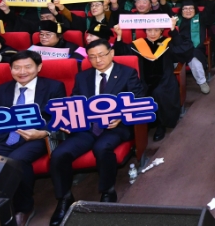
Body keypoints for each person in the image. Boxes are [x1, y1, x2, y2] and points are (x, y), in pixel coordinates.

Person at [0, 50, 66, 226]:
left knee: (17, 160)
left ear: (39, 67)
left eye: (27, 67)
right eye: (17, 68)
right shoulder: (3, 89)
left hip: (36, 137)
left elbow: (59, 117)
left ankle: (24, 208)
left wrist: (43, 132)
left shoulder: (54, 86)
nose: (22, 72)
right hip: (6, 137)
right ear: (10, 69)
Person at [49, 39, 145, 226]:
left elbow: (138, 100)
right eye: (92, 57)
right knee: (59, 154)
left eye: (101, 55)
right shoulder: (82, 77)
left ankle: (108, 191)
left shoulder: (127, 73)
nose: (98, 60)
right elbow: (75, 102)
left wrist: (121, 116)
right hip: (87, 127)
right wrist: (68, 119)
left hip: (115, 126)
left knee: (102, 148)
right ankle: (64, 198)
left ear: (111, 53)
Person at [111, 21, 184, 142]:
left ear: (161, 31)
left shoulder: (168, 43)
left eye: (156, 30)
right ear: (145, 31)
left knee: (159, 93)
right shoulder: (139, 44)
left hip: (164, 80)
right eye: (149, 30)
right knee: (140, 92)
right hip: (144, 80)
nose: (153, 33)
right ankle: (147, 123)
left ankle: (161, 124)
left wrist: (173, 31)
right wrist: (119, 36)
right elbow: (121, 52)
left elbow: (183, 49)